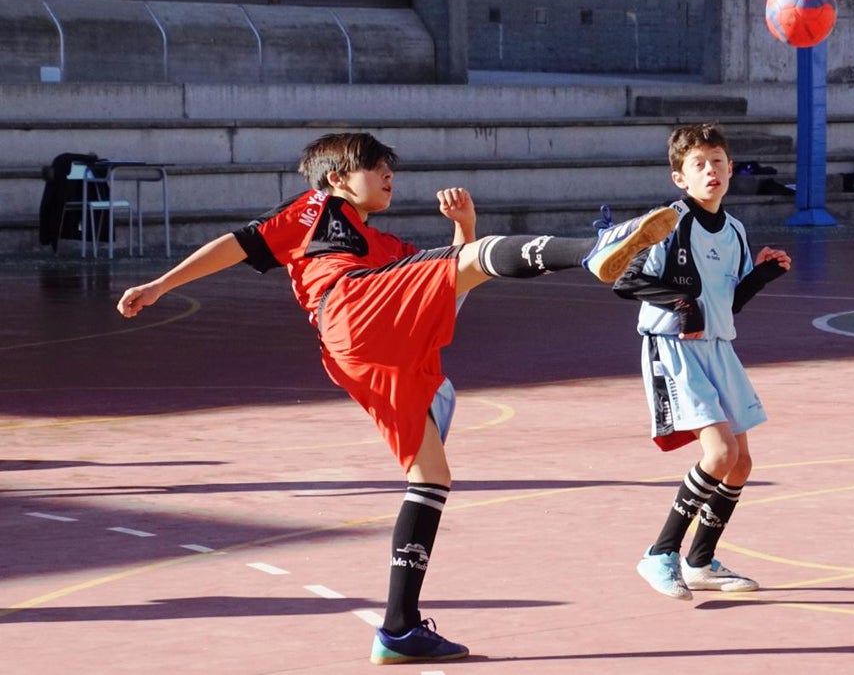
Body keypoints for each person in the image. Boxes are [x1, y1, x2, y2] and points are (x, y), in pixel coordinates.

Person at [115, 132, 677, 665]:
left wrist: (466, 229)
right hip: (351, 309)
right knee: (474, 259)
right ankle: (595, 247)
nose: (388, 176)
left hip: (363, 353)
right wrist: (160, 285)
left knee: (431, 475)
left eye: (391, 169)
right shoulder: (314, 211)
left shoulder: (386, 245)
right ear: (336, 179)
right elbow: (235, 246)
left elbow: (452, 285)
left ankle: (399, 629)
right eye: (376, 167)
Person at [611, 123, 791, 600]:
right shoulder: (669, 222)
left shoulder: (734, 230)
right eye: (698, 164)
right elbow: (624, 281)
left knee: (741, 462)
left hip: (717, 345)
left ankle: (700, 561)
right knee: (719, 454)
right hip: (673, 346)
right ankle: (659, 554)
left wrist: (764, 274)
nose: (710, 170)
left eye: (717, 161)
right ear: (680, 178)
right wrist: (682, 303)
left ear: (730, 169)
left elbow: (727, 303)